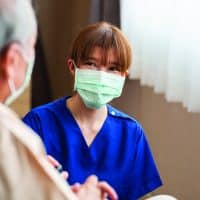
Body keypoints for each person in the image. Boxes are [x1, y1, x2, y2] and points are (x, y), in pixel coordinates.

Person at [23, 21, 163, 200]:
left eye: (113, 68)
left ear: (123, 77)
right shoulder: (38, 124)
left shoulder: (131, 133)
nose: (101, 75)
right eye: (91, 64)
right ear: (73, 67)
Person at [0, 0, 118, 200]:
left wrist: (35, 176)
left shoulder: (130, 131)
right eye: (31, 49)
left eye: (112, 68)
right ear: (12, 60)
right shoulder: (11, 137)